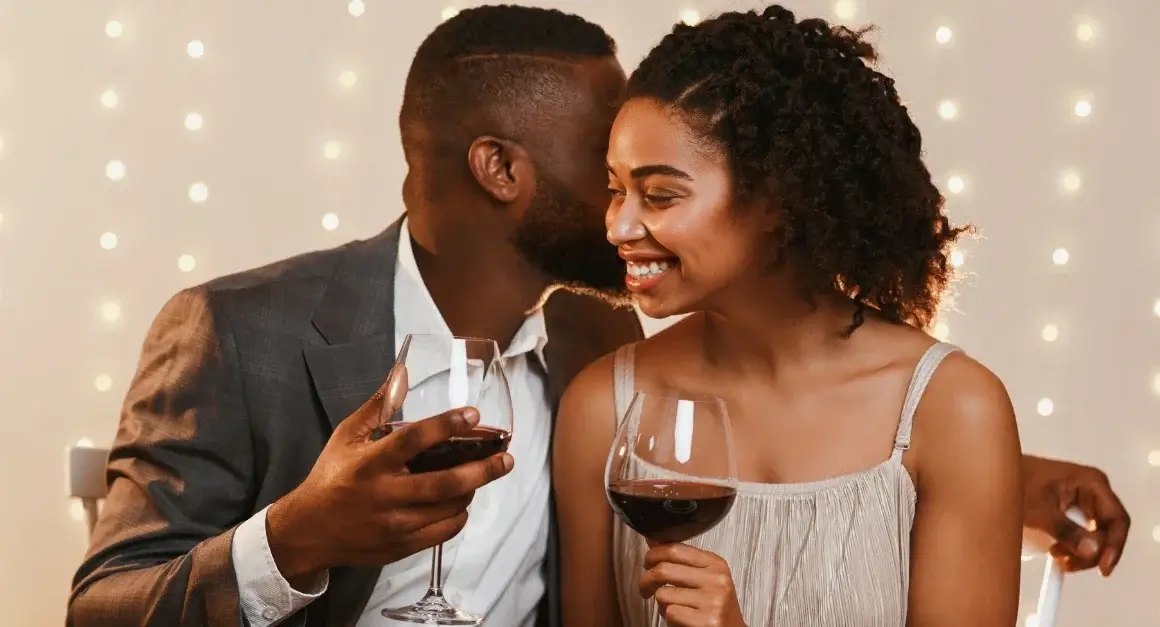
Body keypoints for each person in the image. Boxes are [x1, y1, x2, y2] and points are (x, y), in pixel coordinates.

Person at [66, 5, 1128, 627]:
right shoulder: (239, 330)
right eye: (606, 170)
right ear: (499, 170)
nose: (622, 215)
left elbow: (807, 450)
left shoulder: (590, 347)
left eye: (653, 186)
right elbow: (103, 606)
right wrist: (296, 540)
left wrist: (999, 484)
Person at [552, 6, 1127, 627]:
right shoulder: (603, 407)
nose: (619, 225)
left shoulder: (951, 409)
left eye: (660, 194)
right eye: (616, 188)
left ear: (777, 201)